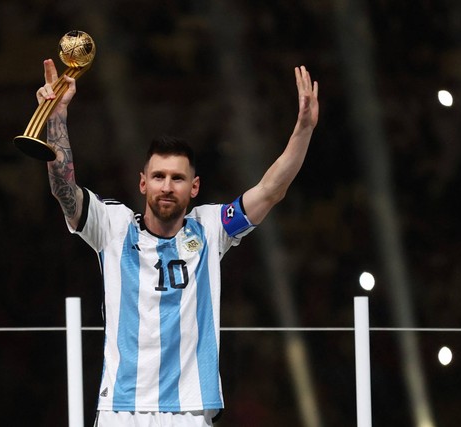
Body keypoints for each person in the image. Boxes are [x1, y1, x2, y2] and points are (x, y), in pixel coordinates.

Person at [36, 58, 319, 426]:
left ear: (194, 187)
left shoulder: (211, 228)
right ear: (142, 183)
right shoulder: (113, 225)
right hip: (122, 408)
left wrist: (305, 129)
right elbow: (63, 190)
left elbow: (270, 190)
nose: (167, 186)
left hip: (189, 408)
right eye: (158, 176)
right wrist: (56, 117)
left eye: (177, 178)